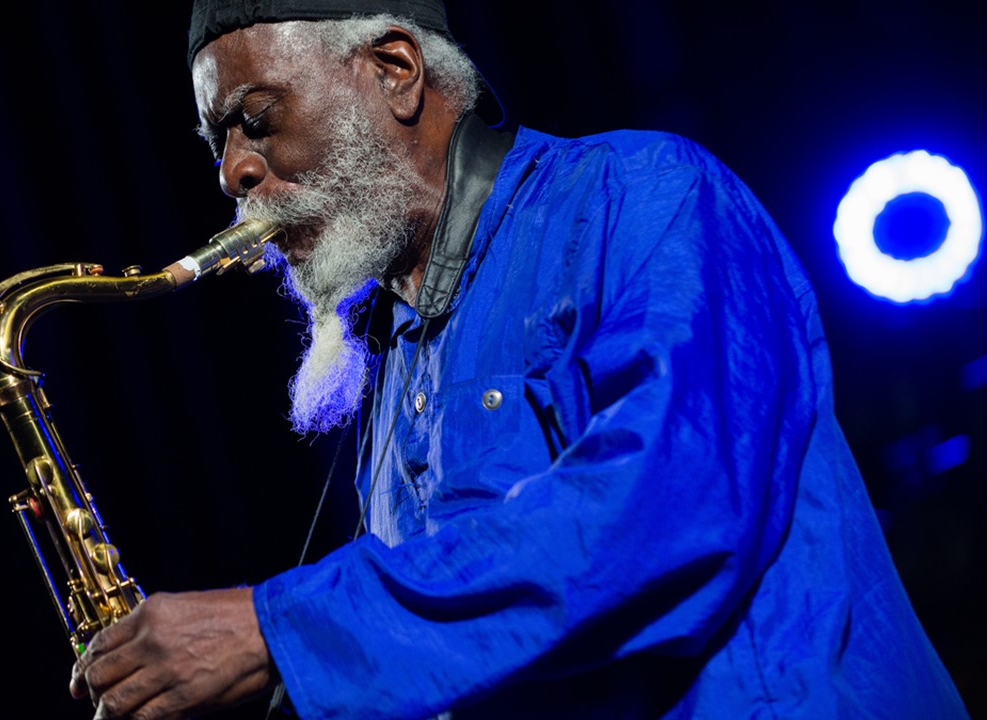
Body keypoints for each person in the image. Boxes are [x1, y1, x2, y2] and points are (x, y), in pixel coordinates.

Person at [68, 1, 970, 718]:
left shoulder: (642, 193)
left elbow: (669, 510)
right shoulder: (390, 375)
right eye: (216, 144)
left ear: (395, 71)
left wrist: (276, 635)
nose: (232, 174)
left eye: (255, 120)